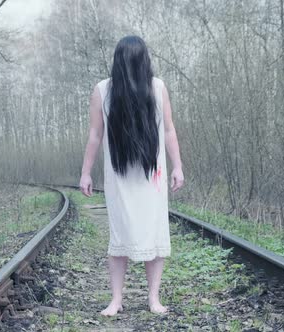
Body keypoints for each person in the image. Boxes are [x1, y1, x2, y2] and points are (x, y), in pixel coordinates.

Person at [79, 35, 184, 316]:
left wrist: (178, 166)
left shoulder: (157, 88)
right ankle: (116, 299)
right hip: (120, 177)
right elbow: (95, 134)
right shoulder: (103, 91)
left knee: (154, 232)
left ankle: (153, 298)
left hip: (152, 175)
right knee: (120, 235)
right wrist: (85, 172)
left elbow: (169, 129)